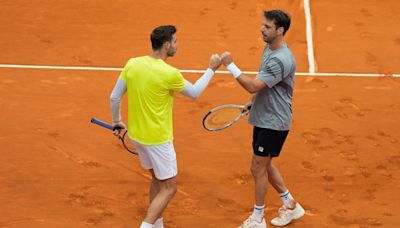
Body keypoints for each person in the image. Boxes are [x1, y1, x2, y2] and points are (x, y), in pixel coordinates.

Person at [109, 25, 221, 228]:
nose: (178, 44)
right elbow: (195, 92)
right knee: (169, 188)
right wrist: (211, 69)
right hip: (158, 140)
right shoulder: (170, 74)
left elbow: (114, 96)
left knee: (158, 181)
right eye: (176, 41)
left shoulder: (132, 64)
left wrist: (117, 120)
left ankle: (157, 223)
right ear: (166, 44)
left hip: (137, 136)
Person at [220, 10, 305, 227]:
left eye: (267, 27)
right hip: (264, 116)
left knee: (258, 166)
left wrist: (230, 64)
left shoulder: (281, 59)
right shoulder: (270, 47)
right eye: (263, 25)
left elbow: (252, 84)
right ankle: (290, 204)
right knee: (263, 165)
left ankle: (258, 219)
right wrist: (254, 101)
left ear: (280, 30)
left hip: (274, 122)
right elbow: (263, 85)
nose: (262, 29)